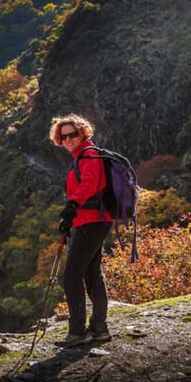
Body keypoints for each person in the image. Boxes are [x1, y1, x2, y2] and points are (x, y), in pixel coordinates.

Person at [50, 114, 114, 347]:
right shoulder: (83, 155)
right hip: (91, 220)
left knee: (72, 276)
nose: (67, 139)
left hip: (92, 221)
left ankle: (78, 332)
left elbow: (89, 183)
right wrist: (70, 218)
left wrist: (72, 205)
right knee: (91, 273)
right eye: (63, 136)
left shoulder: (89, 154)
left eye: (72, 134)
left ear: (83, 133)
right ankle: (99, 329)